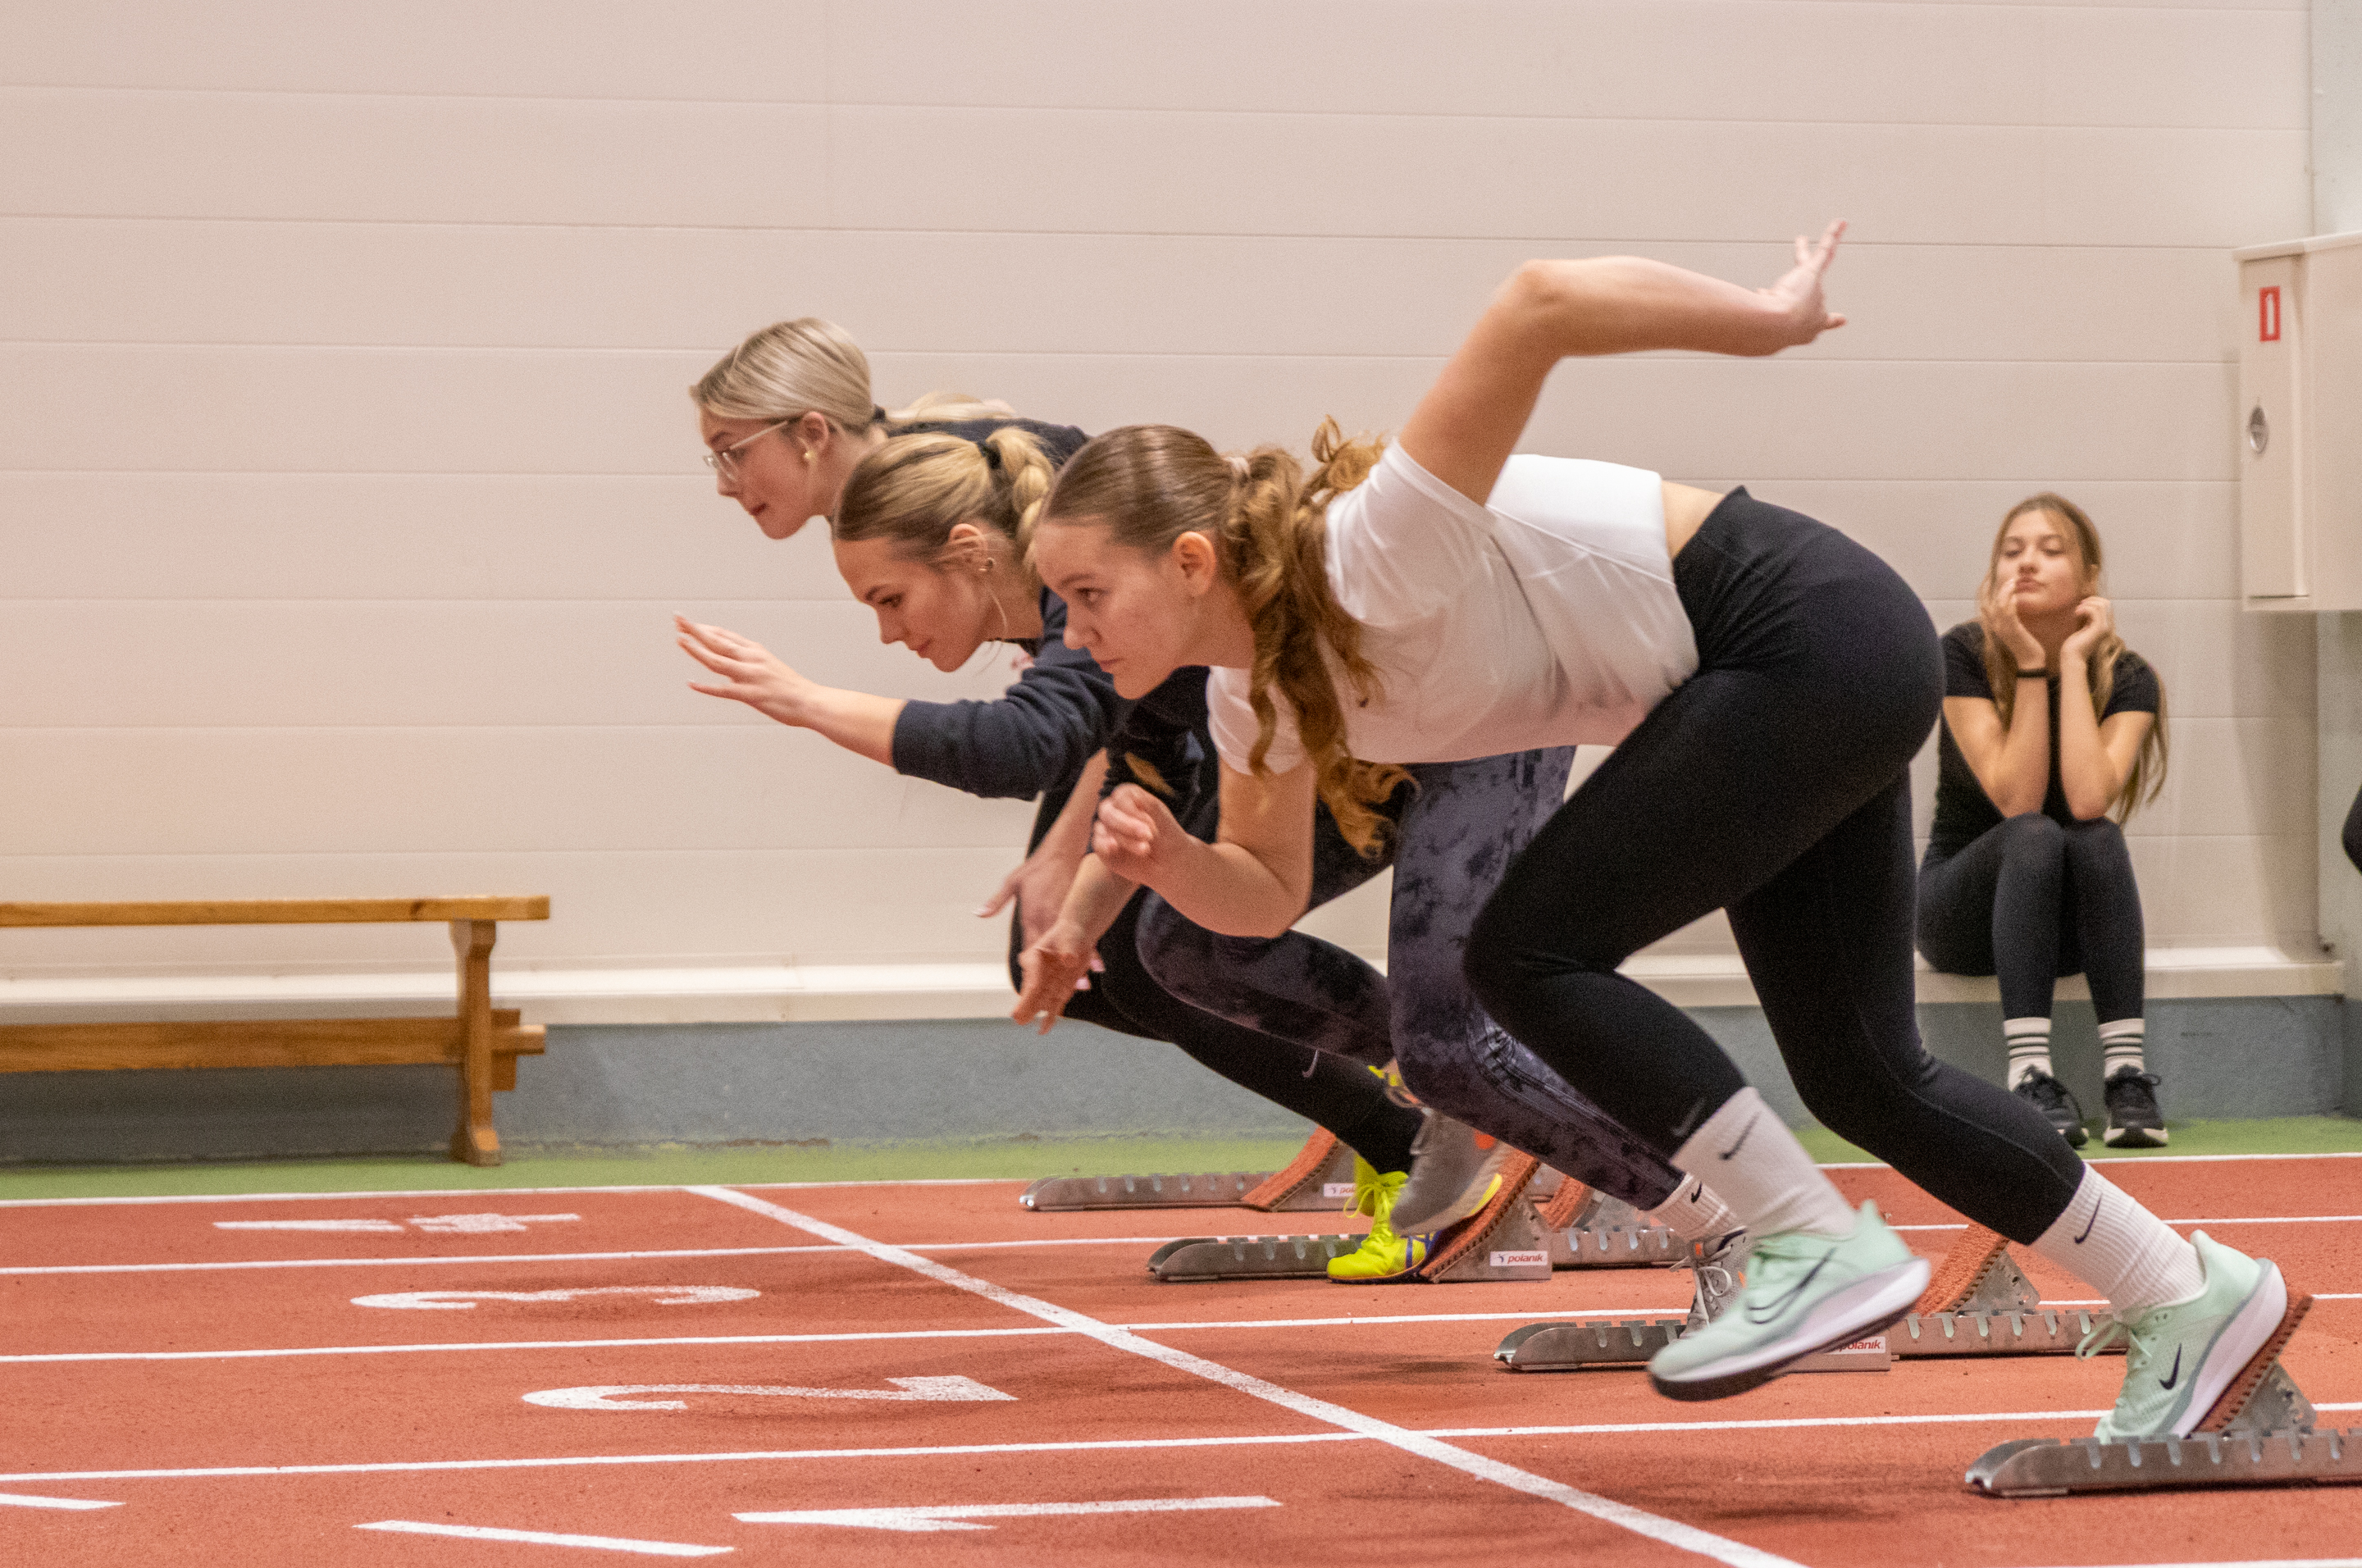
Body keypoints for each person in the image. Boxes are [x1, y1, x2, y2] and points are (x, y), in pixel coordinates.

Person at [1018, 226, 2295, 1439]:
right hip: (1790, 670)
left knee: (1521, 954)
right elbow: (1259, 895)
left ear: (1193, 563)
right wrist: (1174, 864)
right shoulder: (1254, 699)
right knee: (1863, 1074)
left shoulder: (1371, 552)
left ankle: (1807, 1244)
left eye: (1087, 593)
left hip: (1805, 631)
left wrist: (1770, 317)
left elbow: (1538, 302)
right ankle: (2187, 1293)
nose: (1073, 633)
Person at [673, 321, 1454, 1279]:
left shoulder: (1038, 546)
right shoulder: (1013, 565)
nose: (724, 481)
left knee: (1177, 948)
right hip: (1259, 732)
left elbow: (1042, 734)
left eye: (731, 451)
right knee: (1108, 955)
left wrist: (805, 701)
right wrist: (1076, 877)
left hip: (1382, 733)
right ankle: (1410, 1105)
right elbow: (1129, 729)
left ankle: (1446, 1108)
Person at [1917, 495, 2168, 1148]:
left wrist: (2075, 662)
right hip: (1961, 916)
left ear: (2089, 579)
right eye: (2012, 551)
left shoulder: (2129, 677)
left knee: (2095, 834)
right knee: (2032, 833)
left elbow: (2086, 800)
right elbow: (2017, 800)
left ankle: (2126, 1078)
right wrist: (2030, 662)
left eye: (2050, 551)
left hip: (2060, 933)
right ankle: (2030, 1074)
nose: (2026, 563)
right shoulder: (1963, 655)